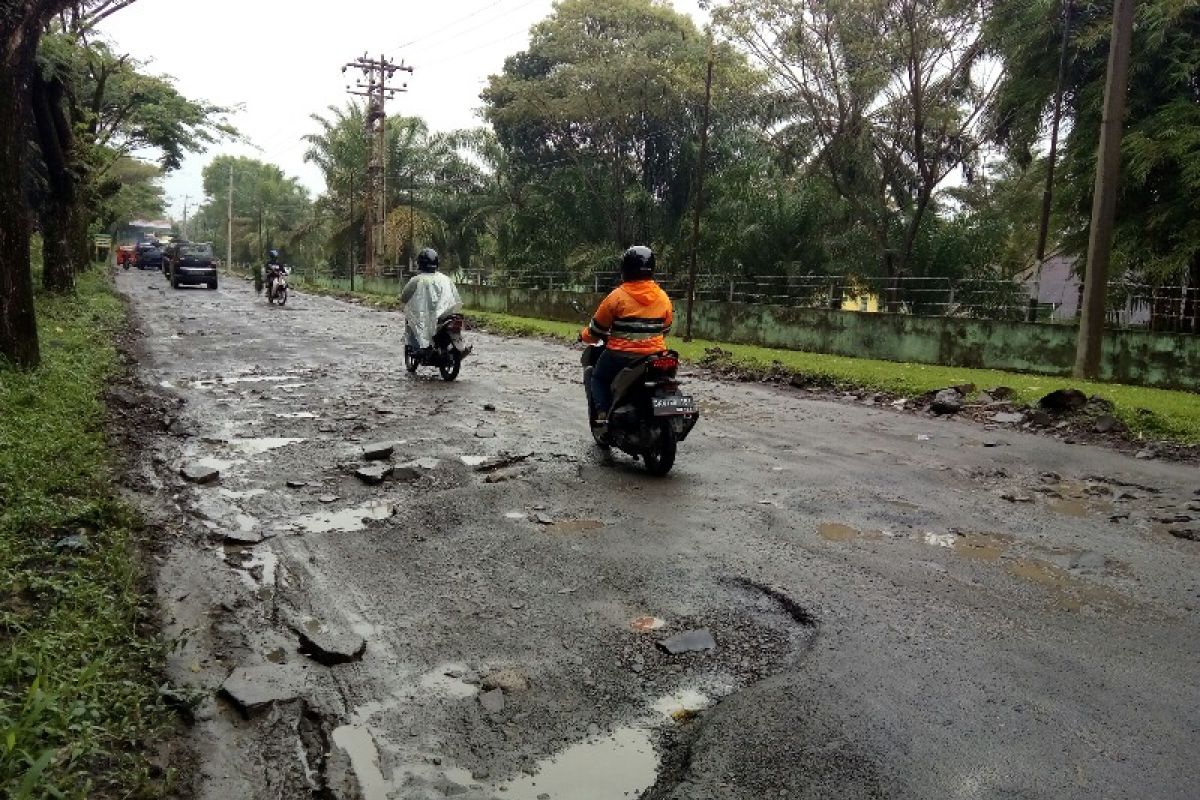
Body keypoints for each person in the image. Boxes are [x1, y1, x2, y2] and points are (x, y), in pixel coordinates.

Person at [580, 245, 674, 424]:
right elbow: (665, 329)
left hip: (620, 356)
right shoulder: (663, 297)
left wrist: (584, 335)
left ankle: (602, 415)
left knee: (597, 377)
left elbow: (596, 330)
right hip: (655, 356)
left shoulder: (616, 297)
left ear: (625, 269)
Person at [400, 248, 463, 351]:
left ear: (420, 263)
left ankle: (418, 348)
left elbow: (404, 296)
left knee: (412, 322)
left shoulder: (417, 280)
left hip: (426, 316)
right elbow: (456, 297)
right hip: (447, 315)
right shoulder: (446, 279)